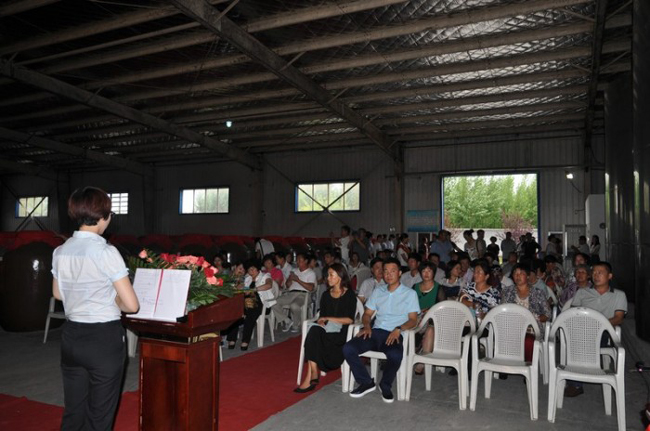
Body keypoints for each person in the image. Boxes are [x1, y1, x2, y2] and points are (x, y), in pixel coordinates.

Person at [52, 187, 140, 431]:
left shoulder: (61, 250)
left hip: (71, 338)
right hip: (102, 339)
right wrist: (113, 299)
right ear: (104, 217)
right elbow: (131, 305)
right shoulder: (106, 252)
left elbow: (58, 294)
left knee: (74, 412)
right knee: (99, 417)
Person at [343, 258, 420, 403]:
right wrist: (366, 326)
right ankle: (366, 382)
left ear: (400, 273)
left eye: (393, 271)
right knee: (348, 348)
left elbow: (413, 320)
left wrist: (399, 329)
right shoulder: (378, 292)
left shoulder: (410, 294)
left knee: (396, 355)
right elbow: (367, 314)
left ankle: (385, 384)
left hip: (394, 333)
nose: (389, 274)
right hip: (375, 332)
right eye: (386, 271)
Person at [565, 262, 627, 398]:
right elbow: (574, 313)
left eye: (600, 272)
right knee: (577, 338)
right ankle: (575, 381)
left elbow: (618, 318)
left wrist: (598, 326)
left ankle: (575, 383)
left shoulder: (618, 295)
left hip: (604, 331)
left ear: (609, 276)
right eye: (594, 273)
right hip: (582, 329)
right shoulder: (582, 292)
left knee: (586, 340)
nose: (596, 275)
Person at [295, 263, 357, 393]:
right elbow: (322, 317)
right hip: (327, 331)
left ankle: (311, 376)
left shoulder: (350, 295)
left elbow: (349, 320)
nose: (327, 278)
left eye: (331, 275)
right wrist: (322, 322)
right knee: (314, 331)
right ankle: (312, 373)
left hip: (340, 335)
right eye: (327, 275)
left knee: (314, 335)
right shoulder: (325, 295)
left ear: (340, 276)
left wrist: (328, 319)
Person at [501, 264, 550, 362]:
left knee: (528, 341)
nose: (518, 276)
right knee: (504, 336)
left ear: (527, 276)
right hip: (512, 327)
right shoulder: (507, 291)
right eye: (515, 274)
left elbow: (547, 314)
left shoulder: (538, 293)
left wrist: (535, 319)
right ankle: (506, 363)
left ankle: (528, 367)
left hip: (531, 328)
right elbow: (502, 311)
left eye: (521, 273)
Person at [224, 260, 274, 350]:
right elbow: (239, 288)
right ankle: (232, 339)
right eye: (249, 269)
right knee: (235, 311)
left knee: (250, 312)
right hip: (248, 303)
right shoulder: (248, 278)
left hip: (262, 304)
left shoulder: (265, 276)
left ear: (257, 269)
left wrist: (254, 289)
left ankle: (245, 341)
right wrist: (239, 284)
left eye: (253, 269)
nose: (251, 271)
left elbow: (269, 285)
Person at [412, 262, 444, 374]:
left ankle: (422, 362)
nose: (426, 273)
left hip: (432, 319)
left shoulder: (439, 288)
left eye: (429, 271)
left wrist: (429, 311)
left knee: (430, 329)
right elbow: (409, 305)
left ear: (434, 273)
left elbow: (441, 308)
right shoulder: (414, 287)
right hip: (415, 318)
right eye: (424, 271)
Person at [272, 253, 317, 332]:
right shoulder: (294, 271)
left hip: (303, 295)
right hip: (291, 293)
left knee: (294, 305)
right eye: (297, 260)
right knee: (274, 302)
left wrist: (297, 280)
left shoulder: (311, 273)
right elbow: (288, 285)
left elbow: (310, 288)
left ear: (306, 261)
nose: (297, 262)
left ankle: (296, 324)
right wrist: (290, 279)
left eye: (300, 260)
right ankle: (288, 321)